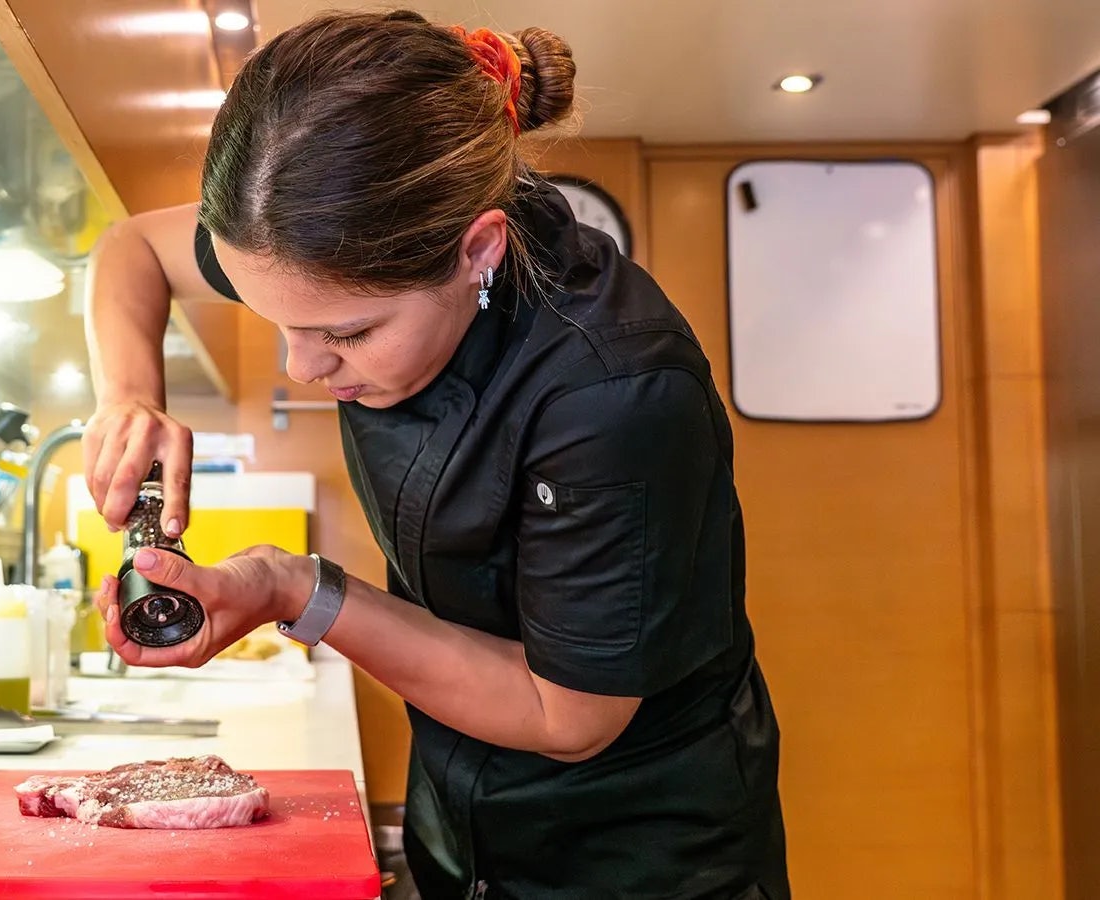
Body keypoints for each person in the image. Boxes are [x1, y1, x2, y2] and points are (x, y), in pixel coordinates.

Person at [80, 9, 789, 899]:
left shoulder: (613, 391)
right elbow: (132, 249)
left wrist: (292, 589)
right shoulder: (320, 242)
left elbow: (567, 715)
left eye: (348, 333)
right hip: (458, 808)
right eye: (277, 324)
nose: (303, 367)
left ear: (478, 251)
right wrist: (129, 396)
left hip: (636, 851)